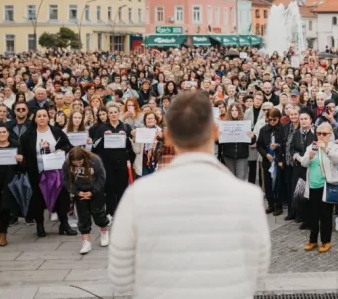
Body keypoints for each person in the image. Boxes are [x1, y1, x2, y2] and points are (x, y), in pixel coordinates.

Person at [108, 91, 270, 298]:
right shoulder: (249, 196)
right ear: (215, 132)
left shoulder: (137, 195)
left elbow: (120, 278)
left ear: (167, 136)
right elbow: (258, 270)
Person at [18, 107, 77, 237]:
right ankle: (40, 225)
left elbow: (68, 146)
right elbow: (22, 154)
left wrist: (62, 150)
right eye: (39, 116)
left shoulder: (56, 131)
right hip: (37, 172)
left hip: (56, 172)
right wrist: (22, 160)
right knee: (38, 199)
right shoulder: (27, 135)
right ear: (35, 119)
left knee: (62, 197)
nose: (42, 118)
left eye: (44, 115)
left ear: (48, 117)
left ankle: (64, 224)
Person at [297, 122, 338, 253]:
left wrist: (326, 149)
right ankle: (312, 240)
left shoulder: (334, 147)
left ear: (330, 135)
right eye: (319, 133)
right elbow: (304, 164)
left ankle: (326, 241)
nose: (321, 136)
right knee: (313, 215)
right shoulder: (311, 146)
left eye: (324, 134)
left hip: (326, 186)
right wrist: (309, 157)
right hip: (312, 185)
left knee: (326, 215)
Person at [63, 147, 110, 255]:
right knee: (83, 216)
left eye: (79, 162)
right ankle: (86, 242)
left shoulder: (95, 160)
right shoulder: (67, 163)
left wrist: (92, 192)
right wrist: (76, 192)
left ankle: (104, 231)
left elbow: (101, 177)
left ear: (84, 157)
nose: (78, 165)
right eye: (75, 163)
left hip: (95, 190)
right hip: (79, 190)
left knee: (98, 213)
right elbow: (66, 179)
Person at [92, 102, 136, 217]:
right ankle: (110, 213)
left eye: (115, 112)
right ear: (107, 114)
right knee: (109, 188)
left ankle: (122, 213)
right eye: (110, 113)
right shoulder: (102, 128)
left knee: (122, 188)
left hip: (121, 163)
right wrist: (103, 137)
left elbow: (131, 146)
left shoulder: (125, 127)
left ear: (119, 113)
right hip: (107, 163)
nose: (113, 114)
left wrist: (125, 137)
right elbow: (95, 147)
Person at [257, 108, 285, 216]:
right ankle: (271, 204)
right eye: (270, 119)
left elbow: (285, 144)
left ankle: (278, 205)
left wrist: (278, 147)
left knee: (278, 183)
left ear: (279, 118)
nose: (272, 121)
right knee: (268, 183)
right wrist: (266, 154)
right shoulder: (264, 129)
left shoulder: (282, 129)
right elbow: (259, 145)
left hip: (278, 160)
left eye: (274, 119)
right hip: (267, 160)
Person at [219, 103, 251, 181]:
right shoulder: (224, 124)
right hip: (228, 156)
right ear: (229, 112)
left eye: (236, 110)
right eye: (232, 110)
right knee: (231, 180)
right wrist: (218, 136)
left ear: (239, 111)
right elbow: (219, 142)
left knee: (240, 179)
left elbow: (250, 141)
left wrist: (252, 136)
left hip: (242, 156)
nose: (234, 112)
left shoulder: (245, 124)